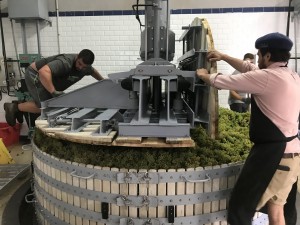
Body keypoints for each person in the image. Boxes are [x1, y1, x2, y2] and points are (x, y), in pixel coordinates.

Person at [196, 32, 300, 225]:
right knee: (278, 208)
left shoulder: (267, 78)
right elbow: (248, 67)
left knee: (242, 205)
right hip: (292, 154)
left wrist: (203, 75)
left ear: (268, 56)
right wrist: (224, 56)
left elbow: (224, 82)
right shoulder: (291, 75)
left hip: (275, 155)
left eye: (259, 54)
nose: (257, 58)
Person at [4, 49, 104, 127]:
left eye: (84, 66)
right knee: (44, 107)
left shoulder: (85, 67)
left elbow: (93, 71)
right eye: (79, 64)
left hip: (46, 79)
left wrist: (103, 81)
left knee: (50, 105)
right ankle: (14, 108)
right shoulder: (65, 62)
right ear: (77, 56)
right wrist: (53, 91)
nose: (80, 68)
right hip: (35, 74)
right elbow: (43, 72)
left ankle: (19, 107)